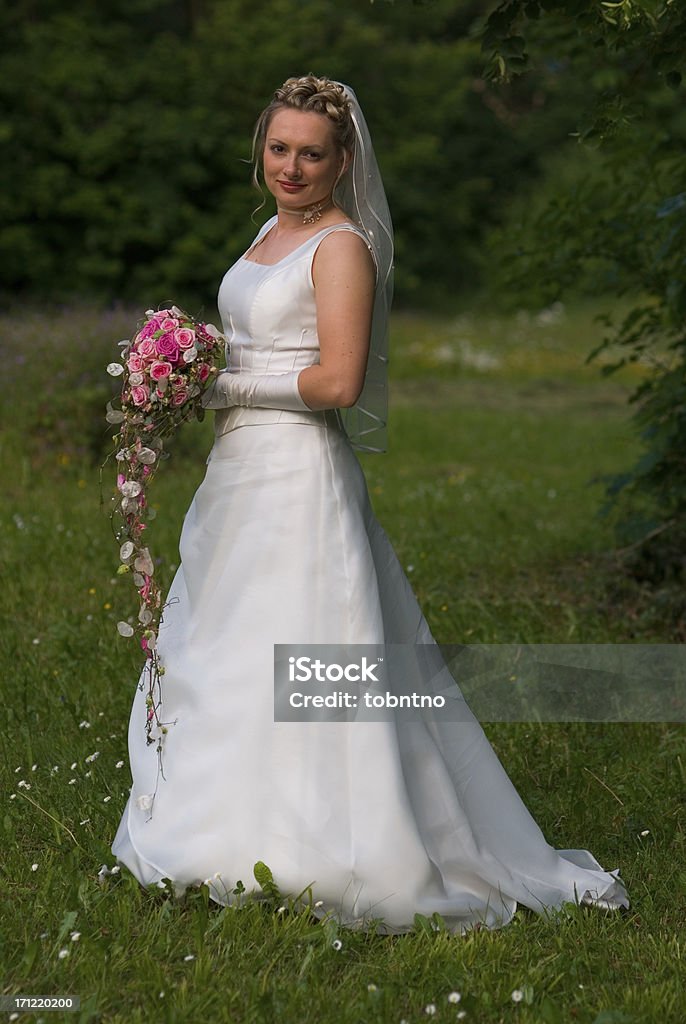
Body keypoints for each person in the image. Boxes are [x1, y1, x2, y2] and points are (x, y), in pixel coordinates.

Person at [111, 75, 629, 933]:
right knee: (230, 646)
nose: (291, 166)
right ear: (262, 149)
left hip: (299, 479)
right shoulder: (271, 232)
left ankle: (334, 845)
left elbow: (339, 381)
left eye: (311, 153)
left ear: (342, 159)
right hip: (237, 477)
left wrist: (218, 381)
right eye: (279, 148)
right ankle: (219, 828)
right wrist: (191, 366)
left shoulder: (341, 246)